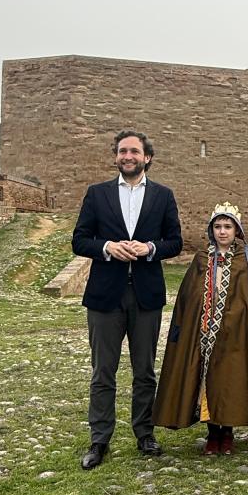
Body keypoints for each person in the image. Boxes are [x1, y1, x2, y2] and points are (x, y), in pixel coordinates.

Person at [71, 130, 183, 470]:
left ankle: (144, 432)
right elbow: (80, 240)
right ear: (116, 157)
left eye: (134, 151)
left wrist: (150, 249)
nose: (128, 156)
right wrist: (107, 248)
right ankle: (99, 439)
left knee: (145, 370)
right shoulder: (97, 194)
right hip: (105, 295)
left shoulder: (163, 196)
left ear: (146, 156)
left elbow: (175, 242)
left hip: (146, 294)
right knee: (102, 371)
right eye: (122, 151)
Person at [151, 202, 248, 454]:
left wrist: (242, 324)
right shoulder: (201, 259)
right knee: (207, 380)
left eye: (228, 226)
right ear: (210, 230)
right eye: (217, 226)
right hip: (203, 334)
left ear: (237, 230)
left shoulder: (245, 263)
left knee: (231, 381)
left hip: (236, 336)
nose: (222, 232)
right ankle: (212, 433)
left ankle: (227, 433)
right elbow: (187, 298)